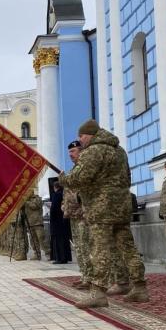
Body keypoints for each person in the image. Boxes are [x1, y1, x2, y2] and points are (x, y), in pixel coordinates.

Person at [59, 119, 149, 308]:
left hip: (101, 208)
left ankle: (98, 292)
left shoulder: (93, 151)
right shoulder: (120, 151)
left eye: (81, 136)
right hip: (121, 206)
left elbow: (80, 178)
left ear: (90, 134)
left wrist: (64, 179)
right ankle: (140, 287)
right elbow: (128, 177)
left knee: (100, 249)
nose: (80, 140)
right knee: (128, 247)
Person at [62, 141, 91, 289]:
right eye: (69, 152)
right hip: (73, 215)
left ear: (81, 151)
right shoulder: (74, 170)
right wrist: (64, 205)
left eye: (73, 151)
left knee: (85, 247)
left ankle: (90, 278)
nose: (70, 155)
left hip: (83, 215)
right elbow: (68, 192)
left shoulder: (84, 169)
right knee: (79, 248)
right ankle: (84, 275)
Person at [50, 182, 72, 264]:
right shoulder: (64, 194)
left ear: (55, 187)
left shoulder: (56, 195)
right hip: (64, 221)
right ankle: (66, 257)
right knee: (65, 240)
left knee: (59, 241)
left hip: (57, 222)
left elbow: (54, 209)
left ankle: (60, 258)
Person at [25, 192, 50, 260]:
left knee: (41, 238)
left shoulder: (36, 198)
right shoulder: (26, 200)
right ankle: (37, 254)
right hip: (30, 223)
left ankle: (48, 253)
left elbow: (35, 206)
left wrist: (26, 202)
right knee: (33, 240)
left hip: (37, 222)